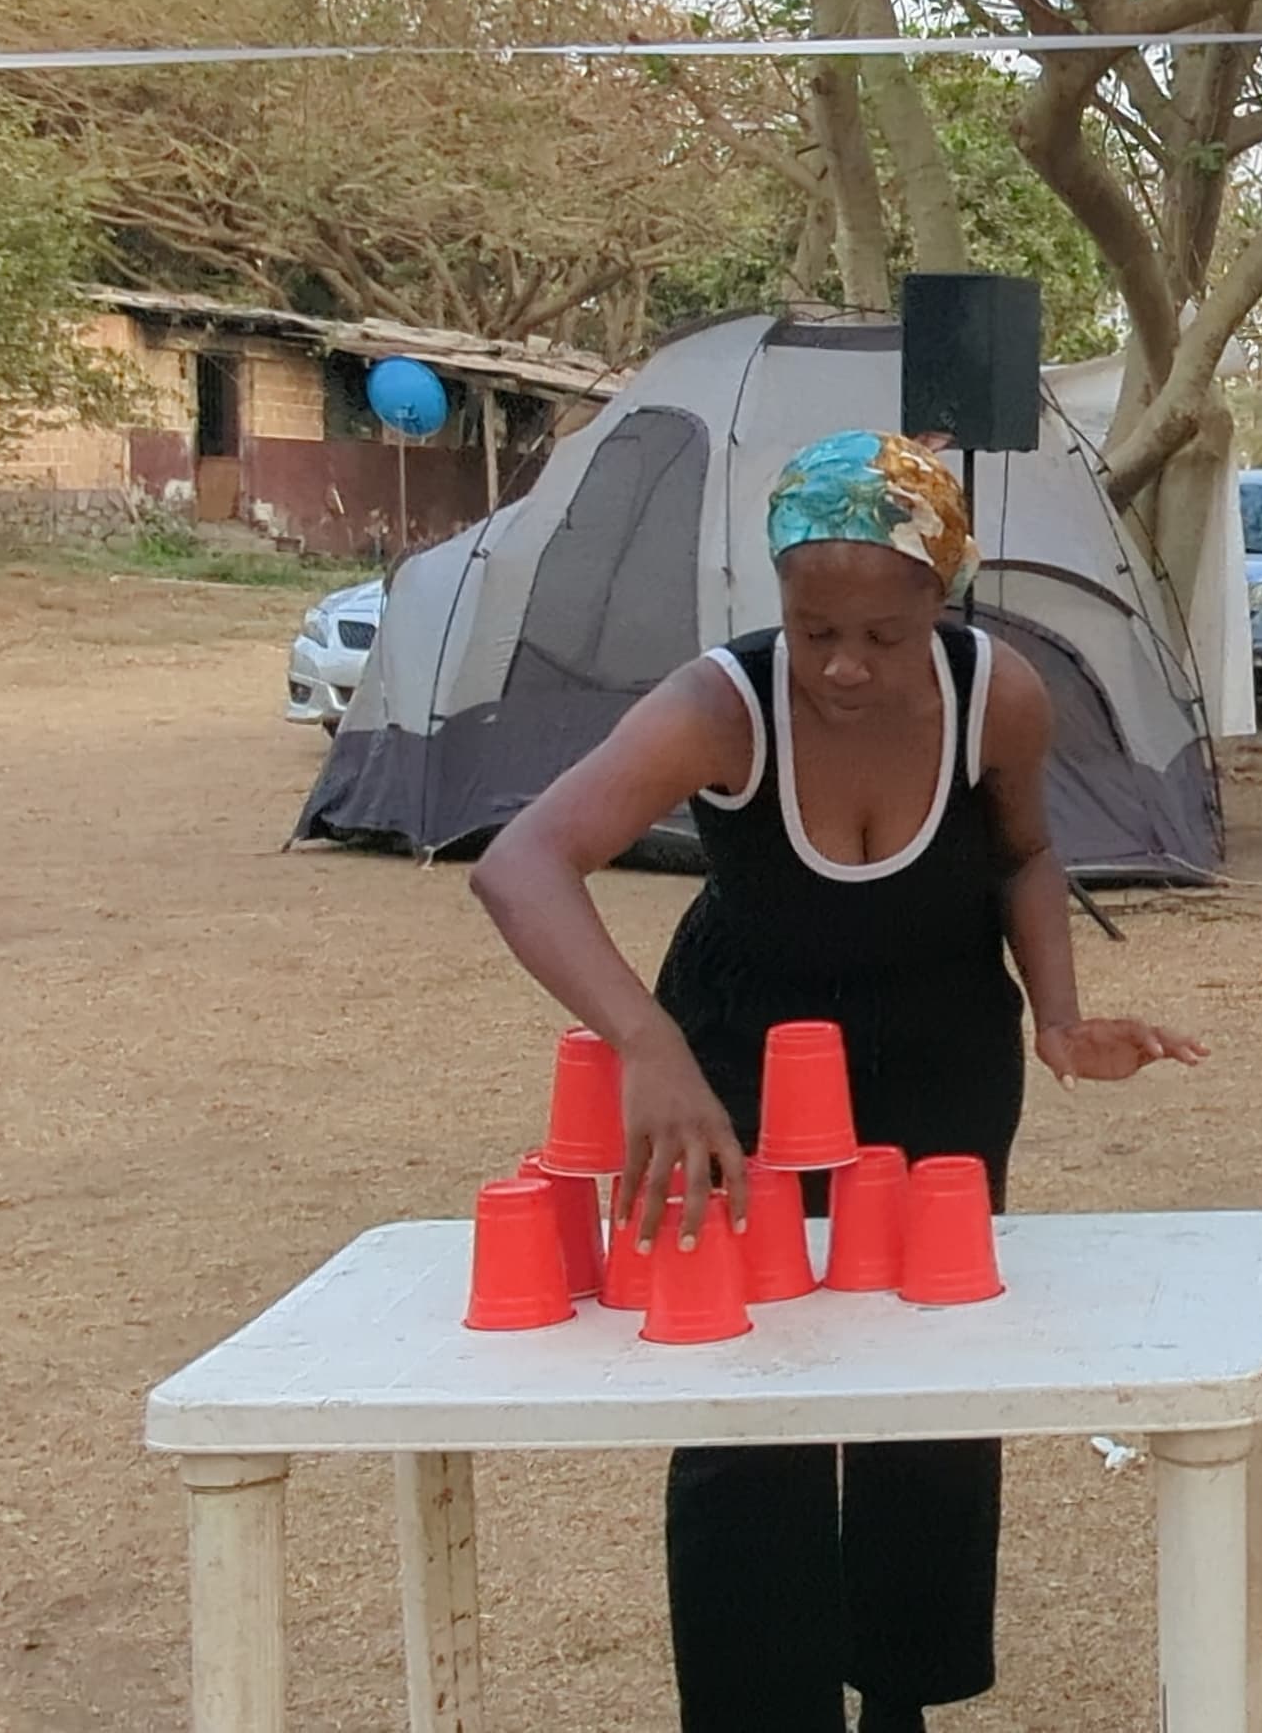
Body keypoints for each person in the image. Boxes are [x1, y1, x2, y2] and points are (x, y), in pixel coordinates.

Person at [471, 428, 1203, 1733]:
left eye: (882, 632)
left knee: (933, 1376)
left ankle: (902, 1698)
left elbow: (1024, 855)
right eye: (814, 631)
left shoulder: (1003, 696)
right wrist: (652, 1048)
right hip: (738, 1069)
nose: (845, 666)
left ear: (943, 599)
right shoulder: (719, 705)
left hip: (941, 1062)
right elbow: (523, 862)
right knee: (743, 1391)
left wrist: (1060, 1018)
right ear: (777, 606)